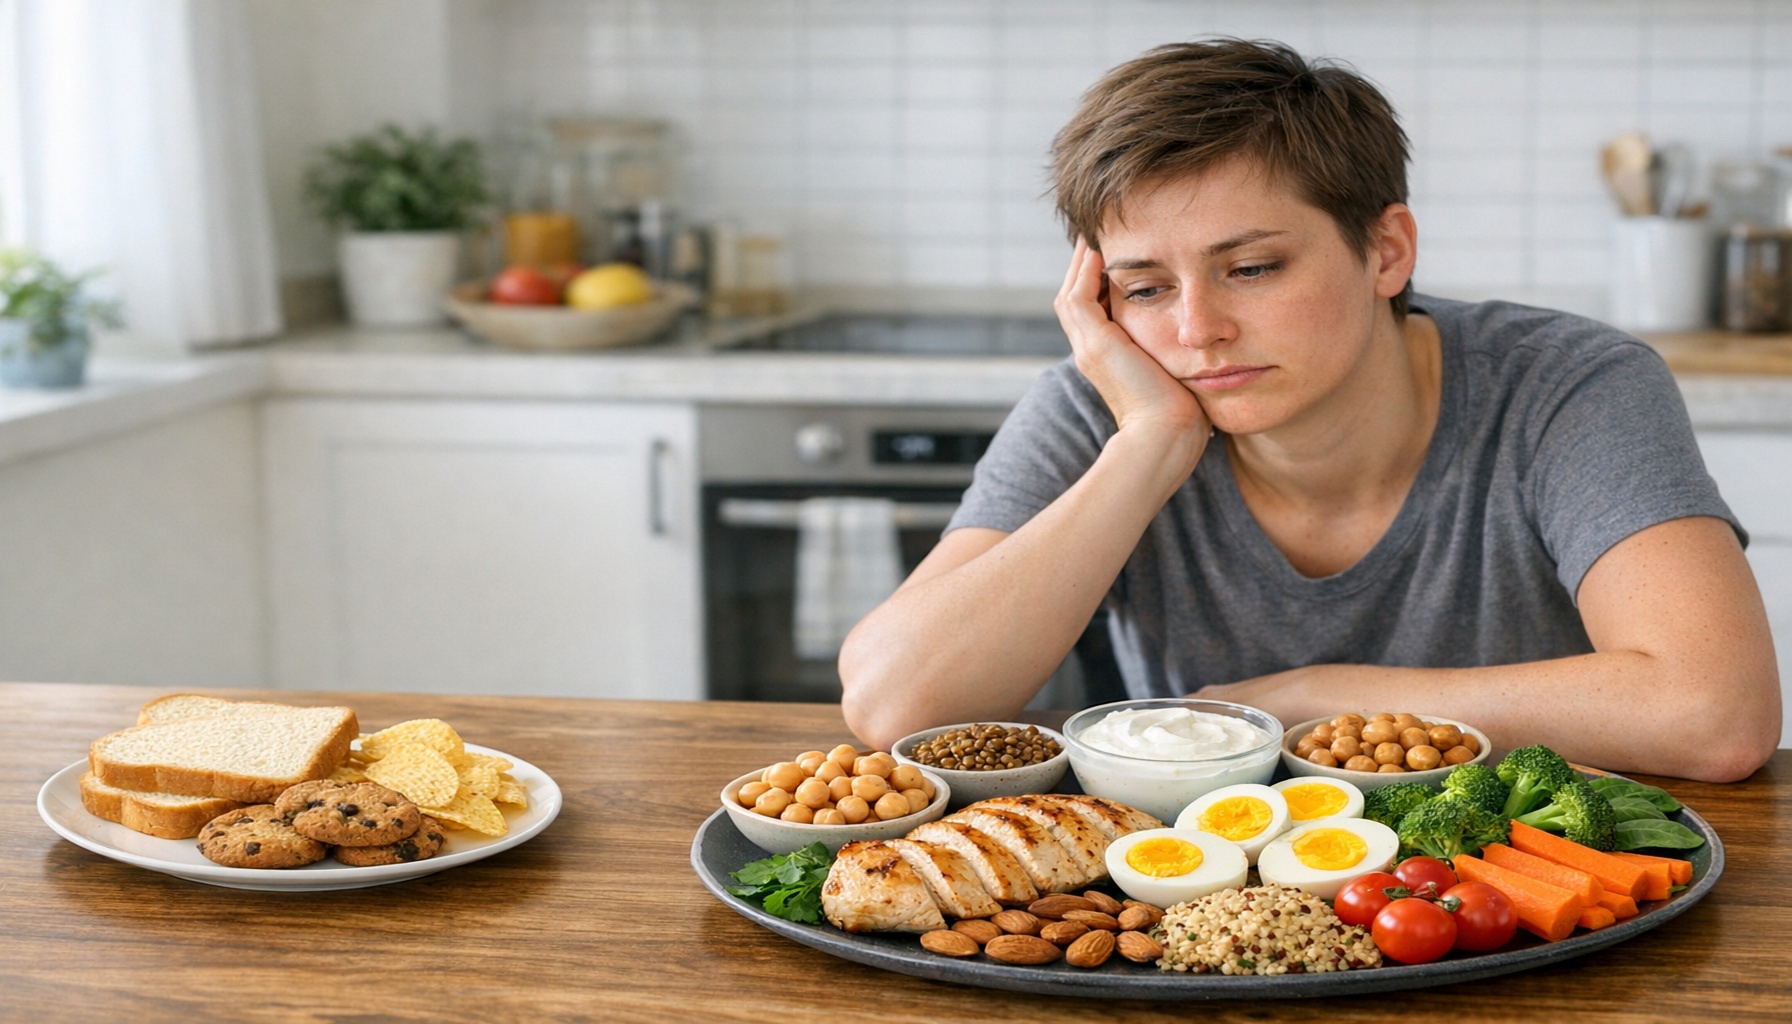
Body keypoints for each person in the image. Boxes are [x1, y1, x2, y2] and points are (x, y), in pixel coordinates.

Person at [838, 39, 1780, 782]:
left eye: (1251, 269)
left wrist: (1306, 696)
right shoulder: (1107, 408)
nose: (1198, 329)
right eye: (1146, 287)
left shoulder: (1568, 385)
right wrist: (1151, 445)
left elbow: (1714, 713)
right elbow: (892, 707)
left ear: (1386, 251)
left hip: (1517, 900)